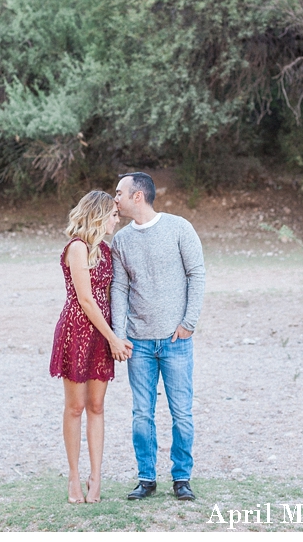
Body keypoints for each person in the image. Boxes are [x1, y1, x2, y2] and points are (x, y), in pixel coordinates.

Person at [110, 172, 205, 502]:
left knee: (182, 413)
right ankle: (146, 477)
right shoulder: (120, 241)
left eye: (119, 192)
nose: (115, 199)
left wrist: (189, 322)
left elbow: (197, 274)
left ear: (138, 196)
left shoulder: (179, 228)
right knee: (141, 414)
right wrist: (119, 335)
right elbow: (119, 288)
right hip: (138, 342)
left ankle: (181, 478)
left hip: (176, 339)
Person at [50, 191, 133, 504]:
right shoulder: (77, 248)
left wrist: (117, 333)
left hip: (102, 333)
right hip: (77, 331)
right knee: (75, 407)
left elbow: (115, 294)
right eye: (113, 214)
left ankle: (95, 477)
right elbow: (85, 299)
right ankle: (73, 477)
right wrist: (114, 338)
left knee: (97, 406)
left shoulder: (108, 251)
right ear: (98, 215)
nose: (117, 219)